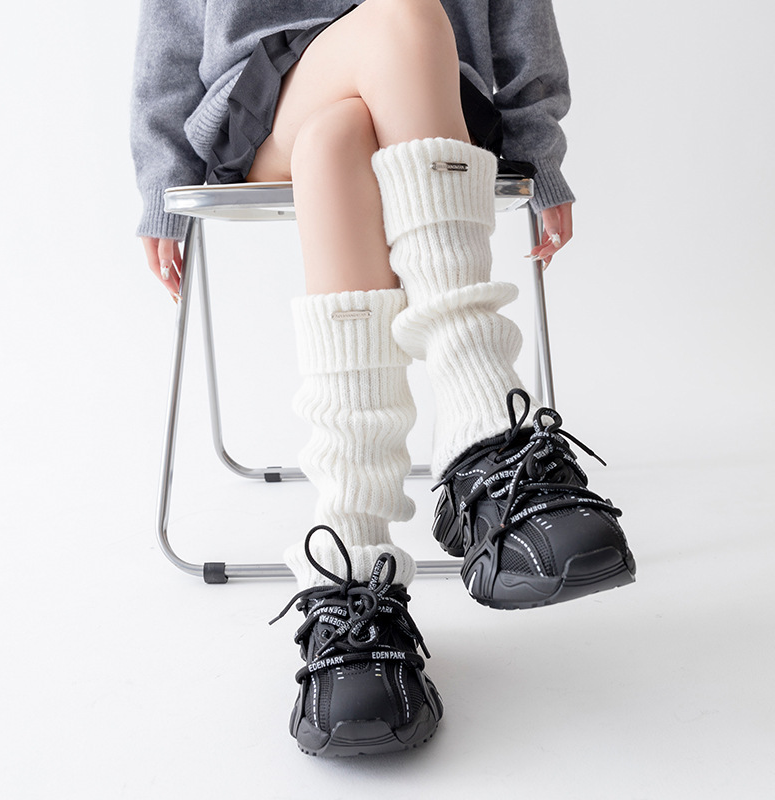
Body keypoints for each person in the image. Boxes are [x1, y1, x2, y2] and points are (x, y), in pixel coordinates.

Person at [131, 0, 636, 757]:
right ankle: (482, 422)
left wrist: (539, 152)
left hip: (430, 99)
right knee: (407, 15)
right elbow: (171, 25)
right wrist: (163, 182)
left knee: (340, 135)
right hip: (266, 99)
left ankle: (351, 552)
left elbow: (518, 16)